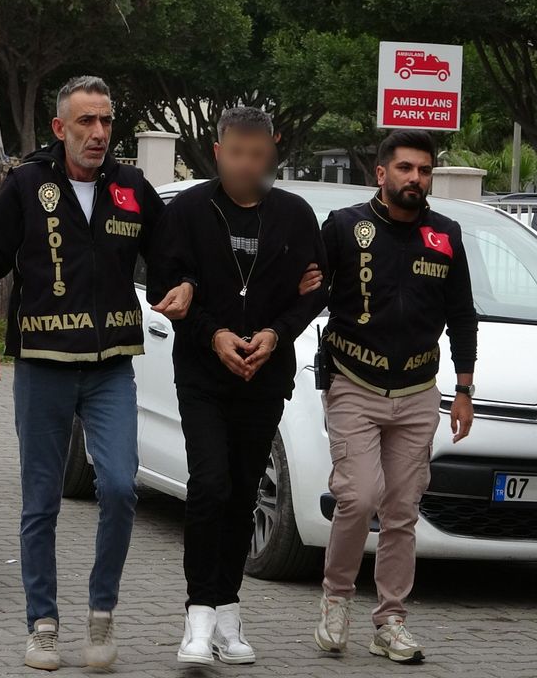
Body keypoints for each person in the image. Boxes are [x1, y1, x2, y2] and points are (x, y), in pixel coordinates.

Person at [0, 76, 194, 672]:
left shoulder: (131, 188)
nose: (98, 133)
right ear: (60, 128)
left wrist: (183, 285)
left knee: (118, 487)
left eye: (106, 121)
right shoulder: (27, 184)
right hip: (43, 365)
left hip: (111, 366)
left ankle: (102, 612)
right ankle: (42, 624)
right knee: (41, 501)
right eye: (86, 121)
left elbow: (170, 256)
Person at [151, 106, 327, 665]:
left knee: (244, 492)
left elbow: (317, 291)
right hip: (203, 373)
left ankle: (228, 610)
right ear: (217, 150)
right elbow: (164, 288)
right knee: (209, 485)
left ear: (272, 150)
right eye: (235, 153)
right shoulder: (188, 210)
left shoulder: (294, 215)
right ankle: (198, 616)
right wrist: (214, 334)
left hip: (264, 376)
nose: (246, 164)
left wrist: (276, 333)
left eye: (257, 154)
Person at [312, 129, 477, 664]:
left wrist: (464, 389)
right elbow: (307, 290)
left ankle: (390, 621)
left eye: (424, 170)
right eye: (405, 168)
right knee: (358, 498)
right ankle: (336, 599)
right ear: (381, 173)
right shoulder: (344, 227)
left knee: (402, 509)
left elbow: (462, 316)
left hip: (418, 390)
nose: (416, 179)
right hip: (353, 383)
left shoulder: (445, 234)